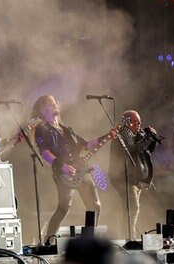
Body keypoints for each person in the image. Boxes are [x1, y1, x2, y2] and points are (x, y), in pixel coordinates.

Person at [31, 95, 117, 245]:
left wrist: (107, 136)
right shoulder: (41, 128)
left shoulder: (65, 128)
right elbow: (44, 152)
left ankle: (89, 241)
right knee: (64, 207)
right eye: (49, 104)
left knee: (95, 206)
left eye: (54, 102)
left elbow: (86, 145)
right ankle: (47, 241)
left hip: (80, 170)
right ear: (42, 111)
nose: (54, 104)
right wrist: (62, 166)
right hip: (63, 172)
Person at [108, 110, 158, 239]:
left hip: (135, 178)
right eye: (136, 122)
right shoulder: (124, 133)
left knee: (131, 208)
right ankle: (129, 238)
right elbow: (133, 150)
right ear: (127, 122)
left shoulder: (137, 133)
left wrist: (152, 137)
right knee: (133, 207)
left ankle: (129, 236)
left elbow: (149, 150)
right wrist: (147, 138)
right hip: (123, 178)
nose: (139, 125)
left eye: (140, 122)